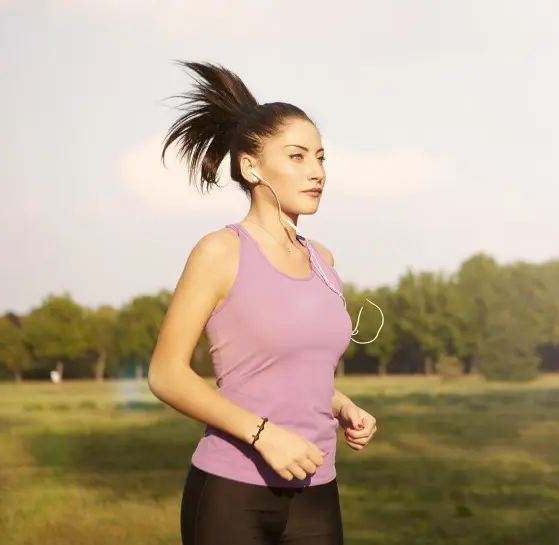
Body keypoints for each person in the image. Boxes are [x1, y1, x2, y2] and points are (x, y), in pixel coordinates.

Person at [147, 61, 380, 545]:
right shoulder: (220, 251)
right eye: (297, 157)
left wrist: (341, 405)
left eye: (321, 158)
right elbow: (166, 374)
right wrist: (263, 435)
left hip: (318, 491)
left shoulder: (323, 259)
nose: (317, 172)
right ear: (251, 167)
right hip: (233, 493)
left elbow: (289, 368)